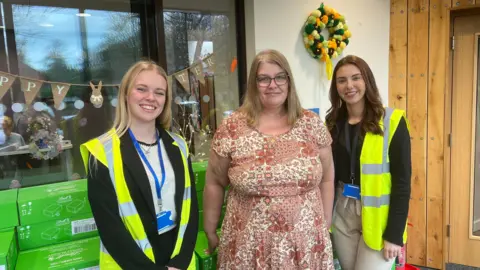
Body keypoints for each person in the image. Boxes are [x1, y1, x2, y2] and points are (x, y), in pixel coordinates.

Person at [203, 49, 335, 269]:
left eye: (280, 77)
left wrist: (325, 222)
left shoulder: (311, 124)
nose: (272, 84)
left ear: (289, 81)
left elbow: (327, 177)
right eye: (263, 78)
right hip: (248, 247)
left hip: (305, 244)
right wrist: (210, 228)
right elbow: (215, 182)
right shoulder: (232, 127)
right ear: (253, 84)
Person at [80, 60, 198, 270]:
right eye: (141, 89)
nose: (151, 98)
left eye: (159, 92)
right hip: (132, 263)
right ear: (126, 94)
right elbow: (110, 227)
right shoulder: (101, 152)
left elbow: (191, 208)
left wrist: (180, 262)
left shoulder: (178, 146)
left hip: (177, 258)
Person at [325, 55, 411, 270]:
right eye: (342, 80)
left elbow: (402, 183)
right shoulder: (332, 123)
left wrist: (395, 233)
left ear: (367, 81)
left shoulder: (392, 121)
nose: (349, 86)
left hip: (378, 217)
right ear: (336, 87)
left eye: (356, 78)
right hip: (343, 211)